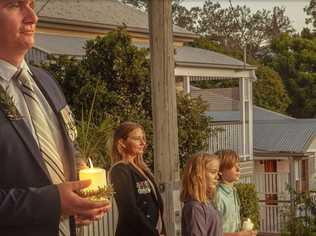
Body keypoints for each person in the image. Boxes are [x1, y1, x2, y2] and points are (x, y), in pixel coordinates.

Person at [0, 1, 110, 235]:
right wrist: (51, 203)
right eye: (14, 5)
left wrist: (77, 198)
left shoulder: (47, 82)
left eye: (31, 4)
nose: (32, 17)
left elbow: (70, 144)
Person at [109, 121, 166, 236]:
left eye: (143, 138)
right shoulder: (120, 170)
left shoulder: (143, 169)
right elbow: (129, 209)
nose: (143, 143)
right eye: (137, 138)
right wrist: (153, 233)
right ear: (122, 142)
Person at [214, 150, 256, 236]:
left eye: (238, 165)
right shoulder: (217, 196)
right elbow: (213, 232)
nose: (238, 169)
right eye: (233, 166)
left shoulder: (234, 191)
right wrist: (238, 235)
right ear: (220, 171)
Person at [181, 152, 223, 236]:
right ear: (198, 175)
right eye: (213, 172)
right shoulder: (195, 208)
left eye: (217, 172)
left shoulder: (208, 203)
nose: (217, 177)